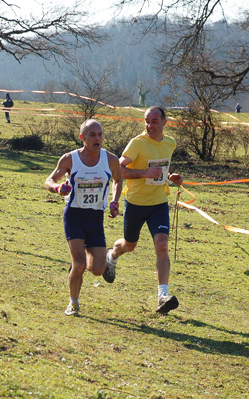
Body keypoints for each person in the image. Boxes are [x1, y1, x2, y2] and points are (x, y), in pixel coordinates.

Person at [105, 106, 183, 315]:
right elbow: (119, 170)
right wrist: (144, 173)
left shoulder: (170, 143)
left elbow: (160, 170)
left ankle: (162, 296)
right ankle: (111, 256)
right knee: (129, 246)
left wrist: (171, 178)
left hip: (158, 204)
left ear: (165, 123)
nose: (150, 126)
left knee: (162, 245)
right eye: (147, 121)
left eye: (154, 121)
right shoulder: (137, 143)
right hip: (136, 204)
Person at [45, 119, 122, 317]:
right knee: (79, 264)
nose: (97, 138)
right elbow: (50, 180)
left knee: (97, 269)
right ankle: (73, 303)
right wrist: (58, 188)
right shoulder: (70, 159)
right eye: (92, 135)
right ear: (82, 138)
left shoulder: (110, 159)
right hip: (74, 216)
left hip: (96, 218)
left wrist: (115, 201)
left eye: (100, 134)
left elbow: (118, 180)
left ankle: (84, 263)